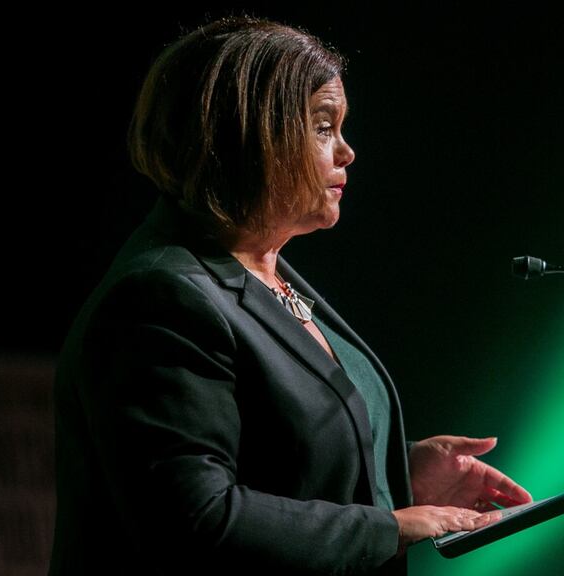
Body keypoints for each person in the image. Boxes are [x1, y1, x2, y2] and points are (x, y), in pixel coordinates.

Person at [49, 16, 531, 575]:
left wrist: (391, 475)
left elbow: (277, 459)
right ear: (247, 136)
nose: (347, 152)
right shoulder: (159, 300)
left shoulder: (267, 270)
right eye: (323, 128)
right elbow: (194, 519)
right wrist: (388, 526)